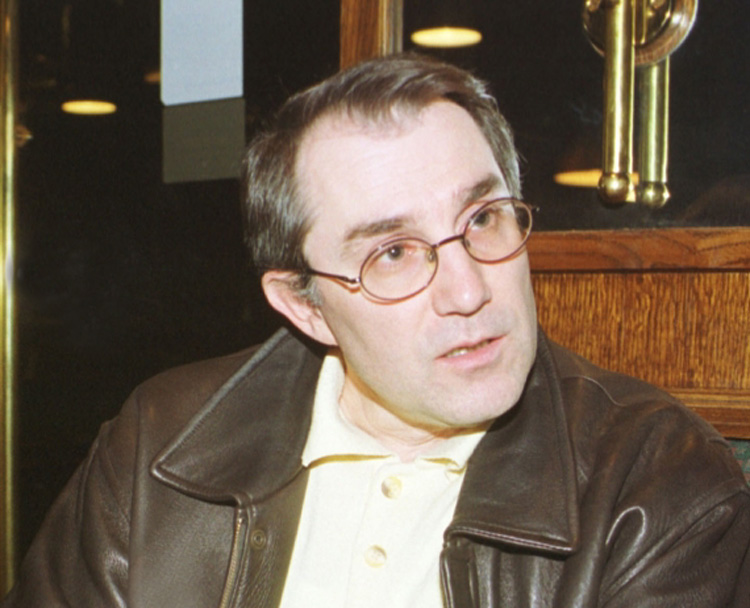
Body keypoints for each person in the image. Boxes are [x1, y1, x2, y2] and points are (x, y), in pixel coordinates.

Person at [3, 53, 749, 608]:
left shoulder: (659, 483)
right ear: (305, 307)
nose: (469, 290)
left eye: (483, 219)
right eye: (392, 253)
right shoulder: (159, 446)